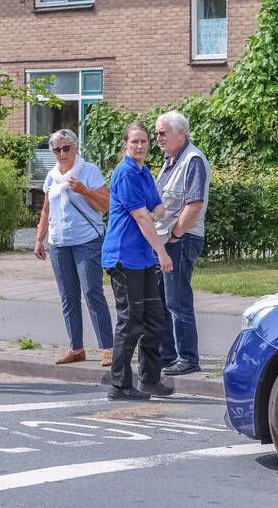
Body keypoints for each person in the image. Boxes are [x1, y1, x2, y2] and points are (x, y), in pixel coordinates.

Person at [101, 121, 176, 401]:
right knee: (130, 321)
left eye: (143, 141)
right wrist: (162, 252)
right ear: (125, 144)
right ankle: (119, 384)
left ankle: (150, 379)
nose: (140, 146)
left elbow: (159, 207)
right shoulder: (125, 173)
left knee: (154, 319)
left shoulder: (144, 172)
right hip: (124, 256)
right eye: (134, 142)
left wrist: (153, 212)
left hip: (142, 257)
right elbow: (143, 216)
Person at [34, 129, 115, 367]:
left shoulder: (89, 171)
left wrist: (84, 190)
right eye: (56, 149)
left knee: (92, 291)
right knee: (68, 297)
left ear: (75, 148)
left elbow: (106, 205)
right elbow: (46, 210)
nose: (61, 153)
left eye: (65, 148)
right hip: (59, 243)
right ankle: (76, 348)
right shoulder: (51, 176)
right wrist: (39, 239)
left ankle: (107, 347)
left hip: (87, 240)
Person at [154, 110, 210, 376]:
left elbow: (195, 203)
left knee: (177, 299)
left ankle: (188, 357)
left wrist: (175, 235)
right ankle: (168, 355)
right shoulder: (170, 160)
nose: (158, 138)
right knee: (162, 298)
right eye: (156, 133)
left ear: (181, 133)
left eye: (163, 133)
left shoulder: (192, 160)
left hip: (181, 239)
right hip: (166, 241)